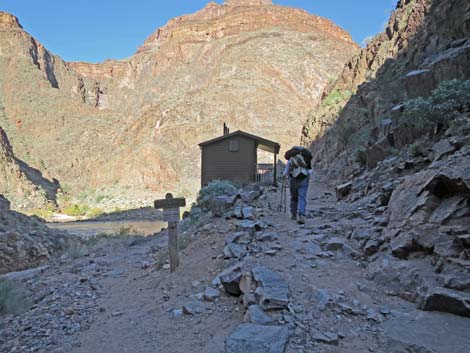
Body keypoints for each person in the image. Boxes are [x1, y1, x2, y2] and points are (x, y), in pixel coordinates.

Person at [283, 146, 313, 224]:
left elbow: (286, 172)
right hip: (303, 179)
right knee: (302, 197)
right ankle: (301, 215)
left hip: (293, 180)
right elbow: (310, 171)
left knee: (293, 197)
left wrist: (285, 174)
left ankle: (293, 214)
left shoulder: (291, 159)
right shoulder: (306, 159)